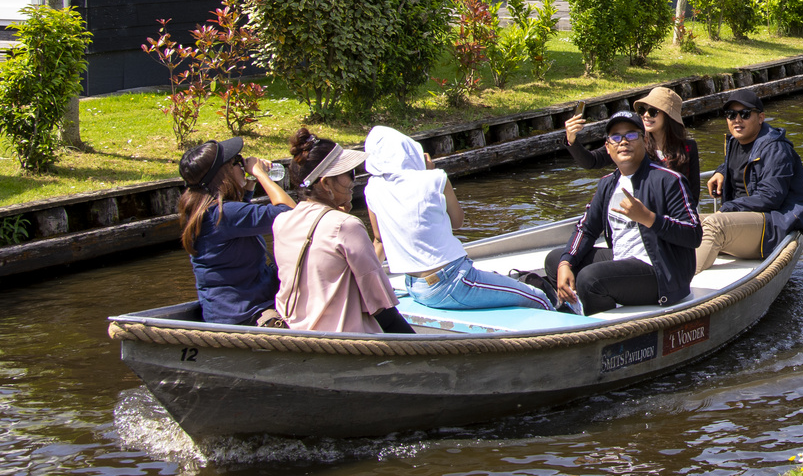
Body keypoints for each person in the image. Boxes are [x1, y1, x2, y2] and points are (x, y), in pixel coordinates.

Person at [363, 125, 552, 311]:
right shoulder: (435, 178)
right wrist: (428, 172)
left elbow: (379, 241)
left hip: (415, 287)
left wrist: (366, 287)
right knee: (538, 297)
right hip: (452, 282)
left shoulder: (372, 188)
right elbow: (457, 222)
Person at [545, 110, 702, 314]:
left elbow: (694, 234)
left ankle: (602, 329)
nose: (623, 142)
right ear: (608, 147)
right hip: (622, 259)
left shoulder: (669, 180)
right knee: (555, 261)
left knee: (590, 279)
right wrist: (566, 262)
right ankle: (581, 305)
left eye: (631, 135)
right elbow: (586, 228)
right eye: (616, 137)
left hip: (661, 270)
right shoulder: (608, 184)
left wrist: (649, 218)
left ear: (645, 141)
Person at [272, 128, 413, 334]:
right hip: (349, 342)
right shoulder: (346, 226)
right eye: (349, 173)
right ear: (326, 183)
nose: (353, 181)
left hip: (298, 336)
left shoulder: (281, 221)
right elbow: (381, 305)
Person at [176, 136, 296, 326]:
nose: (243, 165)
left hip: (227, 311)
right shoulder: (225, 215)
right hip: (245, 315)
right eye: (237, 162)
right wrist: (260, 174)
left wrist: (248, 185)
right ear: (223, 174)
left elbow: (238, 220)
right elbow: (291, 214)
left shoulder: (205, 209)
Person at [695, 88, 803, 273]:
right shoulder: (735, 141)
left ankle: (684, 281)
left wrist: (728, 209)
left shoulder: (776, 149)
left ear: (760, 117)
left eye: (745, 114)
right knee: (686, 222)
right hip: (742, 219)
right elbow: (737, 164)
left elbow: (770, 197)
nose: (737, 119)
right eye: (731, 114)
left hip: (773, 225)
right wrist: (721, 171)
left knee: (714, 225)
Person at [566, 86, 701, 206]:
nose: (646, 115)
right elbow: (591, 161)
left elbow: (693, 194)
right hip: (639, 215)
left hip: (676, 215)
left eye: (653, 111)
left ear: (669, 116)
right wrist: (571, 140)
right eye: (642, 110)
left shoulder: (689, 147)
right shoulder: (632, 142)